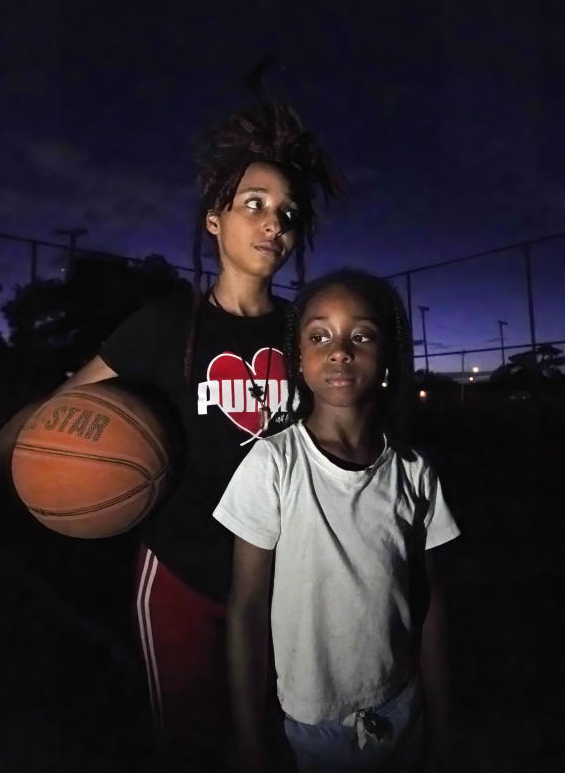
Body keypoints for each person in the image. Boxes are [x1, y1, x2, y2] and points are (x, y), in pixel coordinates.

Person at [0, 102, 346, 765]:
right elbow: (55, 411)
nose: (274, 222)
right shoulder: (162, 327)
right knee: (190, 743)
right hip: (181, 570)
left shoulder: (306, 333)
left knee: (289, 740)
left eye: (289, 212)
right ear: (214, 218)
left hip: (289, 577)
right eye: (254, 203)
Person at [214, 270, 460, 771]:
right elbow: (245, 609)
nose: (340, 350)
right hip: (311, 723)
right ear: (298, 360)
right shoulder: (272, 464)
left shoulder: (415, 471)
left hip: (401, 705)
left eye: (362, 335)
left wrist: (444, 721)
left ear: (388, 356)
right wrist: (249, 742)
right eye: (319, 335)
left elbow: (431, 602)